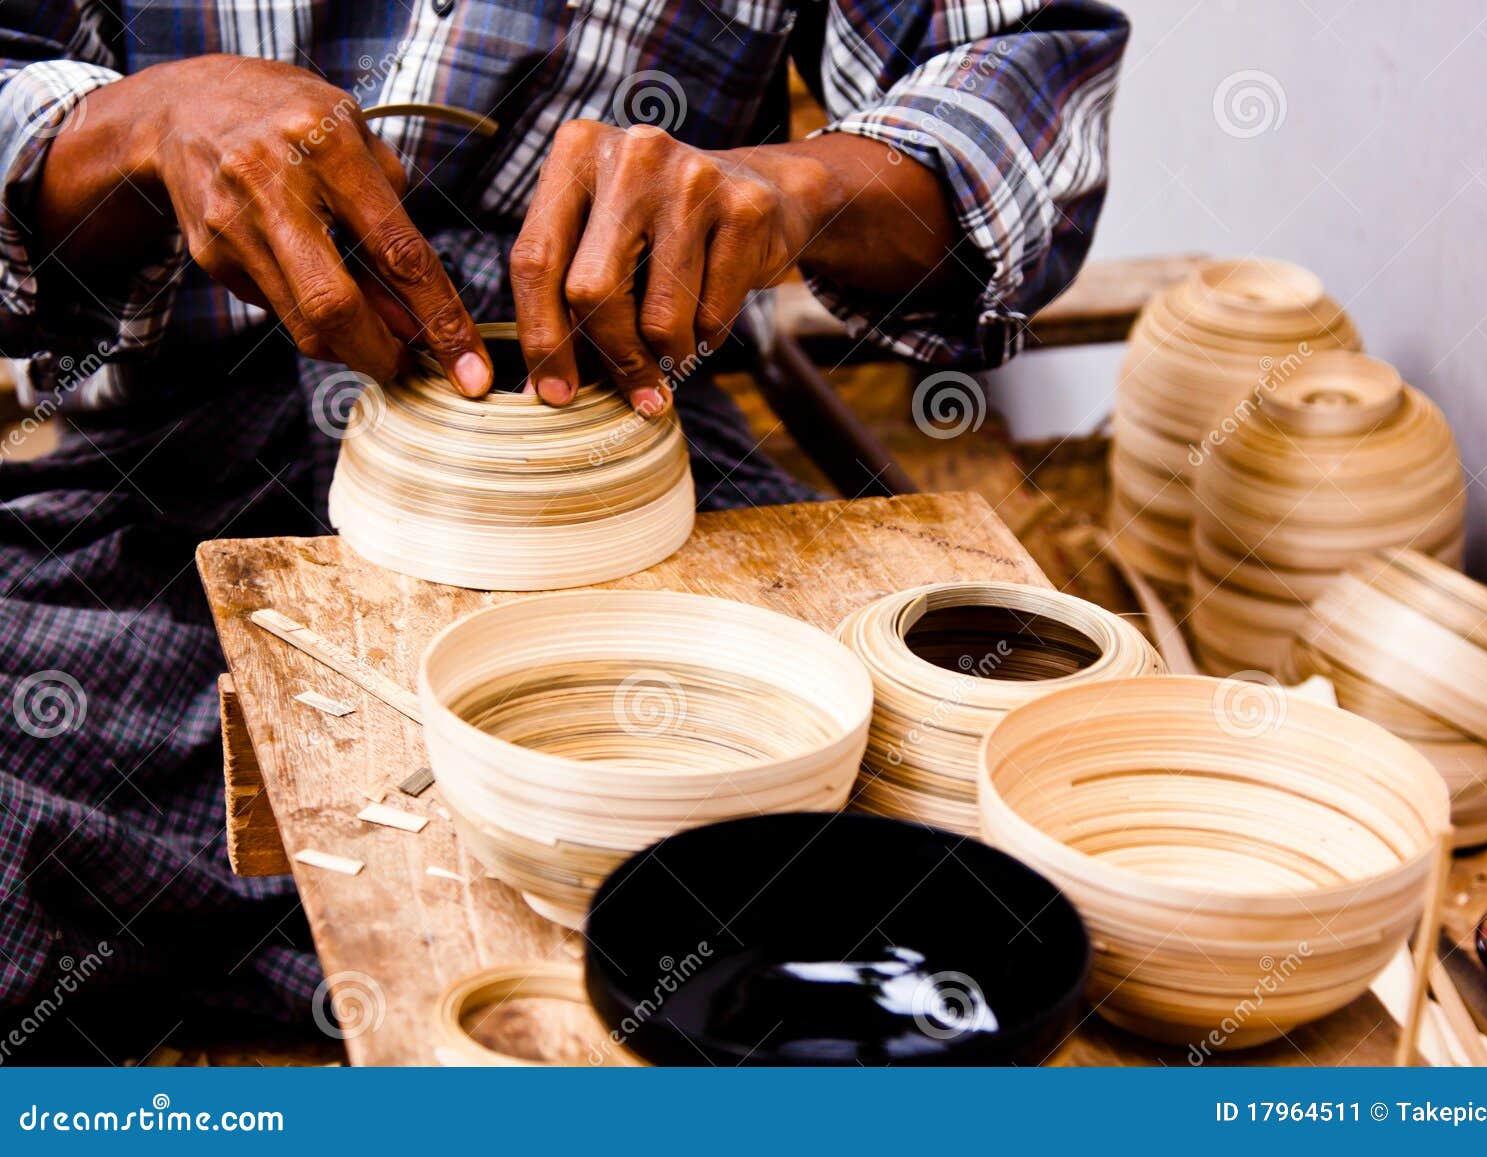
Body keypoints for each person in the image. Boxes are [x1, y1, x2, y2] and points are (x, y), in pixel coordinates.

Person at [0, 0, 1127, 1051]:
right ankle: (529, 912)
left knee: (976, 832)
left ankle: (411, 907)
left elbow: (1016, 76)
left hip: (620, 432)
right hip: (181, 451)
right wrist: (138, 126)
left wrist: (790, 189)